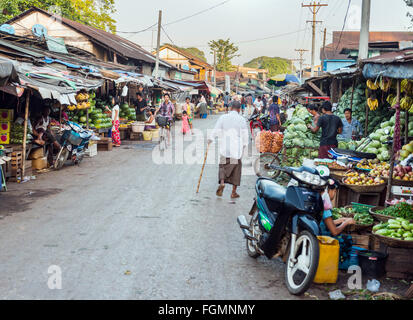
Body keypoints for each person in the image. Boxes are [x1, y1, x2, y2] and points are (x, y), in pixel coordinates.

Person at [208, 100, 249, 199]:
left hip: (225, 147)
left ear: (230, 108)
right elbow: (245, 135)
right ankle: (233, 192)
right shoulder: (242, 119)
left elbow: (216, 129)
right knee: (236, 169)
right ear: (239, 109)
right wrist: (244, 145)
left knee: (222, 166)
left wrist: (210, 139)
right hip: (236, 148)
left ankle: (222, 182)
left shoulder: (223, 117)